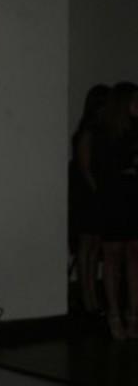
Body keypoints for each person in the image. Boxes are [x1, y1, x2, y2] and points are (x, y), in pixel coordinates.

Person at [92, 82, 138, 340]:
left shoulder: (136, 131)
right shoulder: (104, 133)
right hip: (113, 200)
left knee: (134, 255)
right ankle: (114, 314)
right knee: (112, 257)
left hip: (133, 199)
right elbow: (102, 169)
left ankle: (134, 314)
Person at [68, 84, 109, 314]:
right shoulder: (87, 132)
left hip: (96, 195)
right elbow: (85, 168)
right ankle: (86, 294)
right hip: (87, 196)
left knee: (95, 246)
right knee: (86, 245)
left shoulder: (102, 132)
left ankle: (92, 294)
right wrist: (99, 194)